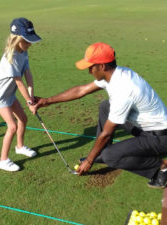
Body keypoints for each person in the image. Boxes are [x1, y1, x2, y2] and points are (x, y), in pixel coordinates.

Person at [34, 42, 167, 188]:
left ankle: (161, 167)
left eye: (91, 67)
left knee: (110, 156)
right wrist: (47, 101)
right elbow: (81, 90)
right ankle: (100, 154)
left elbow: (106, 134)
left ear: (102, 66)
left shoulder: (123, 89)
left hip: (159, 137)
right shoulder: (115, 74)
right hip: (144, 128)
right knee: (106, 106)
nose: (89, 71)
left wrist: (89, 160)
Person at [0, 17, 41, 172]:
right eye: (28, 40)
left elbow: (28, 74)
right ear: (18, 40)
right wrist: (29, 102)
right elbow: (19, 82)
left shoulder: (23, 52)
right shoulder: (10, 57)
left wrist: (31, 97)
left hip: (9, 93)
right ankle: (2, 160)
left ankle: (20, 146)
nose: (30, 44)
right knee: (12, 126)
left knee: (23, 119)